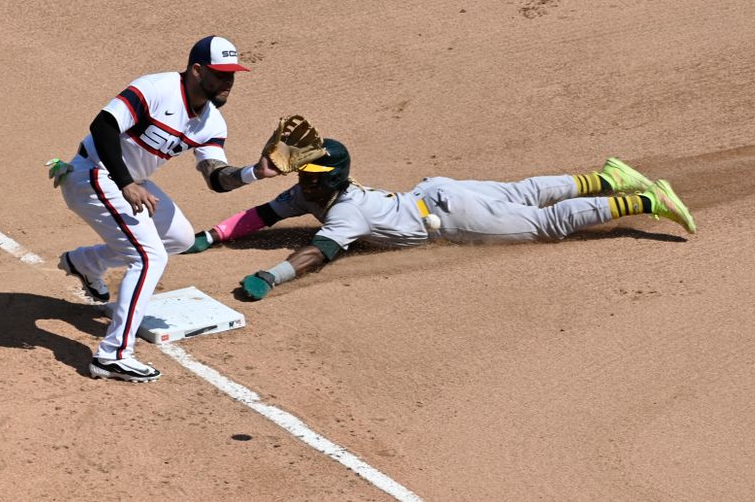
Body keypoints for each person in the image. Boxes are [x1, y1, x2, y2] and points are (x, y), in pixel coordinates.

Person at [184, 139, 696, 300]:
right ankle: (609, 178)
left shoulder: (347, 210)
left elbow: (319, 251)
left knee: (547, 223)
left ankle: (646, 200)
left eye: (310, 174)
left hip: (452, 214)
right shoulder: (309, 194)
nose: (301, 178)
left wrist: (270, 277)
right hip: (438, 193)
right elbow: (262, 213)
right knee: (526, 192)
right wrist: (214, 235)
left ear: (329, 179)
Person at [49, 35, 280, 382]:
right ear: (197, 70)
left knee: (180, 238)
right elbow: (103, 126)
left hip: (130, 183)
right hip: (93, 175)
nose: (228, 82)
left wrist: (254, 173)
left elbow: (215, 177)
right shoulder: (156, 88)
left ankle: (85, 263)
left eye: (232, 74)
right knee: (148, 257)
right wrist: (126, 181)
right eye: (220, 74)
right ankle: (113, 355)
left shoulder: (211, 123)